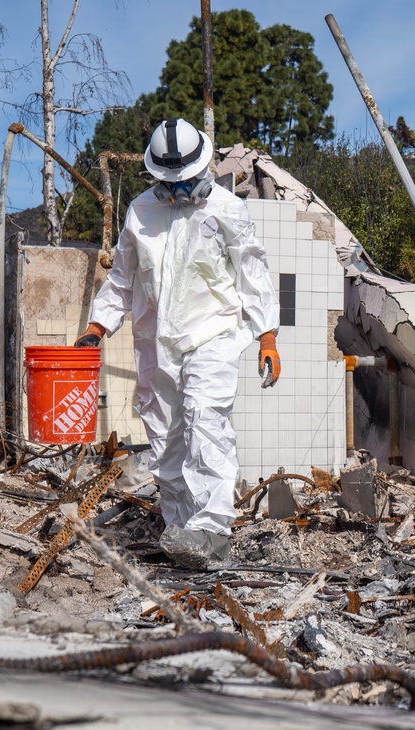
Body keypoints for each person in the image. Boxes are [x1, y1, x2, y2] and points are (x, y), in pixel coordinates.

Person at [76, 117, 281, 570]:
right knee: (165, 434)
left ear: (201, 169)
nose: (180, 191)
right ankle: (180, 529)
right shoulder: (140, 212)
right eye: (171, 184)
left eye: (187, 182)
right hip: (156, 340)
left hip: (214, 334)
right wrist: (98, 326)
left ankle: (211, 528)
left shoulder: (226, 210)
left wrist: (267, 336)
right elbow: (123, 278)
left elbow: (255, 274)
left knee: (205, 420)